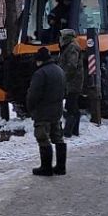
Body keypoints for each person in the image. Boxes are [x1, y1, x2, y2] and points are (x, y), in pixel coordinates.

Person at [26, 46, 67, 176]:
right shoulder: (60, 70)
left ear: (40, 60)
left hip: (43, 111)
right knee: (58, 138)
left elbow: (33, 94)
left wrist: (30, 107)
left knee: (43, 138)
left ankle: (46, 168)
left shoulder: (40, 73)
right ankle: (61, 167)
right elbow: (65, 90)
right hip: (57, 110)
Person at [58, 28, 84, 138]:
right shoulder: (68, 47)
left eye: (61, 37)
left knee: (70, 106)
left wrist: (64, 77)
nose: (59, 39)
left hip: (73, 81)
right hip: (72, 81)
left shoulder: (72, 47)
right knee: (73, 106)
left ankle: (68, 131)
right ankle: (74, 130)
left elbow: (72, 65)